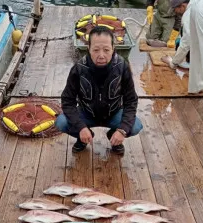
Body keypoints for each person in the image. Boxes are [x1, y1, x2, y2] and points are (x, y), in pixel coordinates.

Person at [56, 26, 143, 155]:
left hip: (113, 113)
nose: (101, 55)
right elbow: (68, 101)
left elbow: (131, 101)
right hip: (86, 113)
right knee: (61, 122)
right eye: (96, 50)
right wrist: (80, 127)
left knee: (135, 126)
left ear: (113, 49)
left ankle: (114, 137)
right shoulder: (78, 68)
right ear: (88, 49)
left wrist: (122, 130)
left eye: (106, 50)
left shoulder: (122, 67)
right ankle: (83, 138)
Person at [161, 0, 191, 69]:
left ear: (182, 6)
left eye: (175, 9)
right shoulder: (193, 6)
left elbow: (186, 43)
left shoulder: (187, 16)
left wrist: (173, 63)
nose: (175, 12)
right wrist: (180, 37)